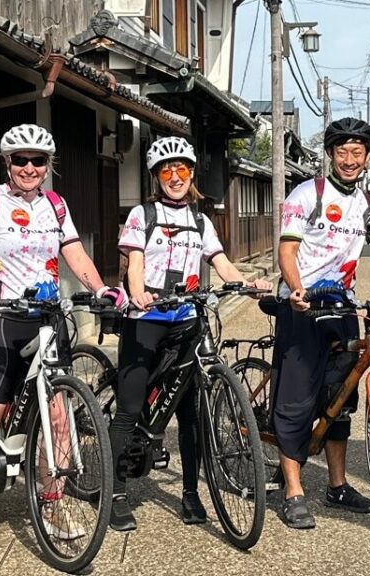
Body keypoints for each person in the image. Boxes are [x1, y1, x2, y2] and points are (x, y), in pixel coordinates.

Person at [0, 124, 128, 554]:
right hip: (1, 317)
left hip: (47, 320)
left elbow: (75, 254)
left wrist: (101, 288)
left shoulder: (56, 205)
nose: (30, 168)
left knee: (59, 417)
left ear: (48, 166)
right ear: (6, 162)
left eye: (38, 161)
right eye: (20, 160)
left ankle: (52, 503)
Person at [272, 117, 370, 529]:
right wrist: (295, 289)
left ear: (366, 157)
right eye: (341, 152)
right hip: (303, 305)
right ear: (330, 155)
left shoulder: (368, 205)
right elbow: (287, 249)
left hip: (342, 308)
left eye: (356, 152)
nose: (348, 159)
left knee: (341, 398)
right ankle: (293, 491)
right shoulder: (308, 194)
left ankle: (338, 485)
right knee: (296, 400)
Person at [108, 136, 272, 531]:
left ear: (192, 173)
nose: (176, 177)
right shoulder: (141, 215)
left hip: (187, 320)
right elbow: (135, 264)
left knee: (192, 413)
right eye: (167, 170)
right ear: (155, 177)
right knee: (129, 407)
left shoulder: (200, 221)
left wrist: (248, 283)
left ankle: (190, 493)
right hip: (146, 320)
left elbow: (222, 263)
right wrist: (138, 293)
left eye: (183, 169)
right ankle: (114, 494)